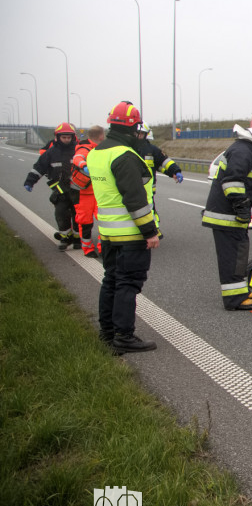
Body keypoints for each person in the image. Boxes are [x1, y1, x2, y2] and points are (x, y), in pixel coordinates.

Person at [86, 101, 160, 353]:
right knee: (128, 285)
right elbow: (135, 199)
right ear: (134, 128)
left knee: (111, 281)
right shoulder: (124, 155)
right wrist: (150, 232)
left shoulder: (96, 152)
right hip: (130, 233)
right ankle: (124, 336)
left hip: (107, 232)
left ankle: (107, 332)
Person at [202, 121, 252, 310]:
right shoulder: (243, 152)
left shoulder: (245, 150)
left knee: (236, 256)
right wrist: (242, 209)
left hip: (229, 216)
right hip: (229, 217)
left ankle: (238, 294)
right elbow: (232, 182)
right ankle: (234, 300)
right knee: (233, 257)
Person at [24, 122, 80, 250]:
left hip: (77, 190)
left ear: (73, 137)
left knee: (78, 216)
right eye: (63, 137)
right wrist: (29, 182)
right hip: (60, 191)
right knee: (60, 213)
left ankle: (78, 239)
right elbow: (39, 168)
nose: (66, 140)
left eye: (68, 137)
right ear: (58, 137)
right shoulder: (51, 152)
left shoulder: (78, 150)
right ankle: (65, 238)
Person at [70, 124, 104, 257]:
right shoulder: (85, 148)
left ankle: (103, 248)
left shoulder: (100, 149)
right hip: (84, 193)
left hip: (98, 191)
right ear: (101, 136)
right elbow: (78, 159)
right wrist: (84, 166)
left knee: (104, 220)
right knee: (85, 222)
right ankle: (88, 248)